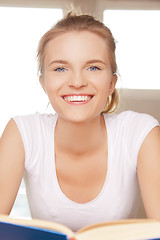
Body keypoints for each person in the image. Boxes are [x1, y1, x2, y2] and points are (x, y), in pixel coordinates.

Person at [0, 11, 160, 232]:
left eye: (93, 67)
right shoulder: (22, 132)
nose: (77, 82)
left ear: (112, 83)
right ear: (43, 83)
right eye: (60, 68)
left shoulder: (141, 134)